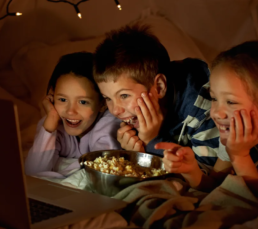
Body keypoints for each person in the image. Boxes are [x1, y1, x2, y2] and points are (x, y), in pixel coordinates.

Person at [93, 23, 219, 172]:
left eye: (124, 95)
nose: (115, 110)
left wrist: (151, 142)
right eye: (107, 98)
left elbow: (205, 174)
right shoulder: (132, 112)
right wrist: (137, 152)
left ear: (159, 87)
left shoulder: (203, 105)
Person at [156, 41, 258, 192]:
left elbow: (252, 202)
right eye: (214, 99)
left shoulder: (237, 145)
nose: (217, 112)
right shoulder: (233, 138)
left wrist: (240, 156)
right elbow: (214, 188)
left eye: (231, 102)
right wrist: (192, 171)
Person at [25, 52, 121, 178]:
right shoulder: (52, 123)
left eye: (83, 102)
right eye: (62, 100)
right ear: (52, 96)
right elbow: (32, 173)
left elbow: (99, 170)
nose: (70, 111)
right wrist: (51, 120)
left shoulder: (109, 123)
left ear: (102, 103)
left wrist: (56, 171)